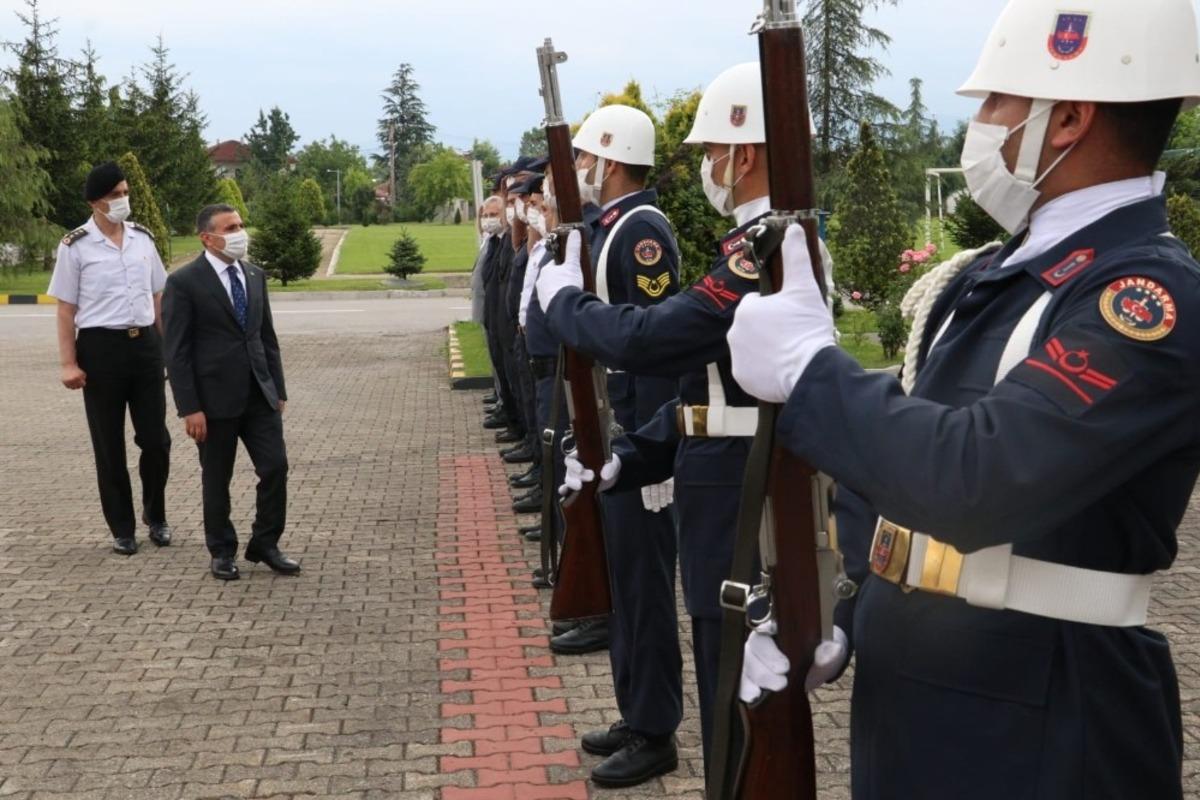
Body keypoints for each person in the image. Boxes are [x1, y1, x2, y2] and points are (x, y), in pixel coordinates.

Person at [729, 1, 1200, 797]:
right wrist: (843, 609)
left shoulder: (1147, 297)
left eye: (994, 103)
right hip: (922, 686)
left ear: (1068, 120)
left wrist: (812, 370)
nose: (978, 124)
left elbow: (974, 475)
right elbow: (904, 458)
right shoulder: (1000, 272)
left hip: (1045, 717)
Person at [536, 65, 834, 774]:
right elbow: (717, 388)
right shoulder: (758, 245)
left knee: (738, 704)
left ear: (745, 154)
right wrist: (633, 456)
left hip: (739, 497)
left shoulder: (768, 252)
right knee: (723, 687)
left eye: (710, 152)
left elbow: (648, 340)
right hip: (721, 485)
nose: (705, 166)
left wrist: (563, 302)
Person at [535, 103, 685, 787]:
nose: (584, 173)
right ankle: (636, 713)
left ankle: (656, 731)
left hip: (641, 436)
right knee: (624, 585)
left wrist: (647, 451)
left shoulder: (642, 232)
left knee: (646, 591)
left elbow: (650, 343)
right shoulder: (612, 228)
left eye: (589, 160)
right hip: (618, 433)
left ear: (615, 159)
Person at [162, 204, 298, 582]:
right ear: (207, 237)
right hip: (212, 401)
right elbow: (177, 351)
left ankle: (265, 543)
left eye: (241, 224)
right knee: (216, 478)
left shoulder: (254, 275)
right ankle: (222, 551)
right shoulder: (185, 282)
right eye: (231, 227)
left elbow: (266, 337)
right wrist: (189, 407)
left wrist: (278, 388)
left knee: (275, 467)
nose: (240, 232)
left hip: (259, 393)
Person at [48, 161, 172, 556]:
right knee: (109, 445)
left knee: (156, 440)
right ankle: (122, 527)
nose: (124, 200)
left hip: (145, 348)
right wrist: (69, 363)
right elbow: (66, 309)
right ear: (96, 202)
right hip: (101, 350)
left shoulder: (142, 239)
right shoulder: (76, 245)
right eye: (116, 195)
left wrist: (169, 351)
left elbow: (158, 298)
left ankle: (156, 514)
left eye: (125, 192)